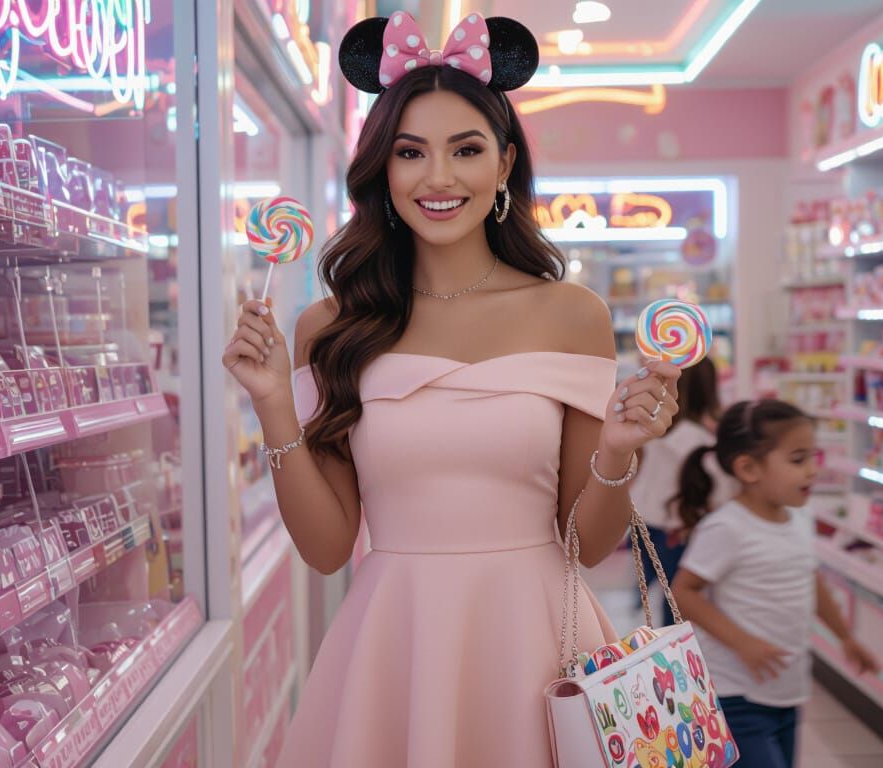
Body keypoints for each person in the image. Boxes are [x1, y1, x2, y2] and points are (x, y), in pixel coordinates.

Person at [222, 12, 686, 765]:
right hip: (395, 645)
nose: (438, 178)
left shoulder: (571, 313)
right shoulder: (330, 325)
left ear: (504, 165)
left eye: (465, 150)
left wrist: (618, 451)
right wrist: (274, 404)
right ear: (383, 169)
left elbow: (587, 544)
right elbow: (327, 547)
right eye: (411, 153)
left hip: (538, 641)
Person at [670, 399, 878, 768]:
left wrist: (845, 636)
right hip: (736, 694)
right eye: (798, 461)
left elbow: (809, 579)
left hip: (788, 693)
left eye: (813, 457)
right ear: (748, 468)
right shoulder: (727, 527)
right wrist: (744, 643)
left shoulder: (800, 517)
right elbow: (683, 593)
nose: (812, 471)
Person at [629, 356, 733, 626]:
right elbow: (714, 487)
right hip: (675, 525)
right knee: (675, 598)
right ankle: (675, 648)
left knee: (657, 588)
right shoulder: (694, 437)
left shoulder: (659, 426)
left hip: (645, 517)